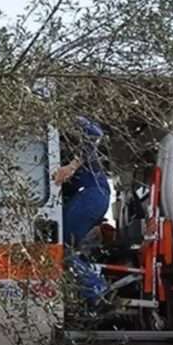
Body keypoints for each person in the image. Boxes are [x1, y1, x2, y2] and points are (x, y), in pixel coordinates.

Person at [54, 116, 111, 303]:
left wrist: (72, 166)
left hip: (92, 194)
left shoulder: (65, 119)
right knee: (63, 247)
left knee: (59, 248)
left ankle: (96, 288)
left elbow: (95, 133)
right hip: (88, 196)